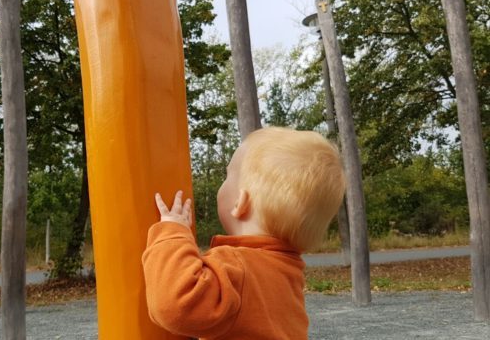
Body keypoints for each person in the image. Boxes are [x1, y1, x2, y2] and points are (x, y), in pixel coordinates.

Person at [142, 126, 346, 339]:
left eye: (227, 176)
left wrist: (173, 233)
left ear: (241, 202)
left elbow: (173, 305)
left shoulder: (236, 266)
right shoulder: (288, 273)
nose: (222, 184)